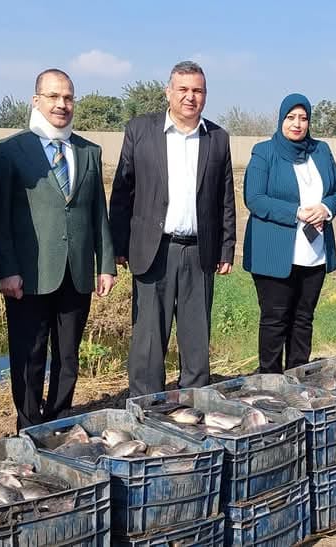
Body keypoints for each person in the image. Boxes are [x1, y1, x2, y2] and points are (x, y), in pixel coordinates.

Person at [0, 69, 116, 430]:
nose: (62, 104)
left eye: (68, 98)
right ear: (36, 100)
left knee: (69, 355)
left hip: (76, 271)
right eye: (54, 97)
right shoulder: (11, 151)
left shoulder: (88, 152)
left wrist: (105, 264)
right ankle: (29, 424)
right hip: (29, 274)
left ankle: (59, 419)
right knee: (28, 355)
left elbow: (98, 214)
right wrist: (5, 270)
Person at [109, 60, 236, 397]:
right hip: (153, 250)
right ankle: (146, 408)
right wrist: (117, 244)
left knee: (196, 338)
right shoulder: (140, 130)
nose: (190, 97)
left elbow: (225, 197)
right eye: (183, 89)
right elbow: (123, 192)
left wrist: (227, 247)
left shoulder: (218, 138)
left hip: (199, 251)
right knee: (148, 339)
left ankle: (193, 404)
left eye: (197, 90)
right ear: (169, 92)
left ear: (205, 95)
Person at [243, 93, 336, 373]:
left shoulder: (321, 151)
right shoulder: (264, 152)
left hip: (314, 253)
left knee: (303, 319)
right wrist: (297, 212)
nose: (297, 124)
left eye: (303, 118)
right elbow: (255, 198)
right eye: (291, 118)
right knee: (275, 320)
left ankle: (298, 378)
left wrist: (325, 207)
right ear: (281, 119)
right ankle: (270, 381)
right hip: (275, 251)